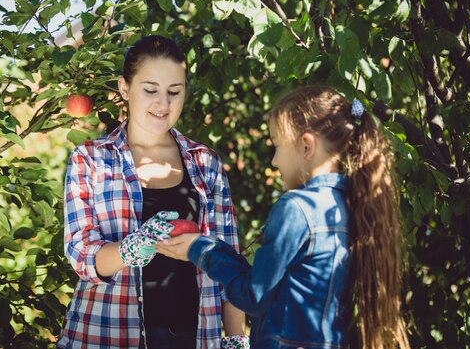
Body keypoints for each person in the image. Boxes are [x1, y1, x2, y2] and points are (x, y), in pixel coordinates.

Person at [157, 86, 411, 349]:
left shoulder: (296, 209)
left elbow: (254, 295)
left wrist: (199, 248)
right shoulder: (354, 207)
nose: (275, 161)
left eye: (277, 145)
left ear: (306, 145)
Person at [57, 35, 249, 349]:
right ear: (124, 88)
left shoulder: (205, 163)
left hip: (193, 336)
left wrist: (236, 339)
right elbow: (80, 253)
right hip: (106, 333)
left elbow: (228, 261)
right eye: (150, 90)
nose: (164, 104)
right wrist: (127, 250)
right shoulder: (91, 159)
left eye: (175, 91)